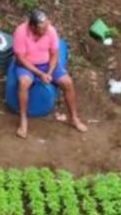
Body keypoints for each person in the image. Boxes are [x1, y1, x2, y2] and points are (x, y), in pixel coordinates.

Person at [12, 10, 88, 139]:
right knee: (24, 83)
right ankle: (23, 120)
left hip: (47, 64)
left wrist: (49, 72)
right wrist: (39, 73)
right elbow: (20, 58)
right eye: (42, 29)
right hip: (27, 65)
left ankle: (74, 118)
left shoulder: (50, 31)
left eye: (47, 26)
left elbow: (55, 54)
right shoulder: (20, 32)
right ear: (32, 27)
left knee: (68, 82)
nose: (46, 30)